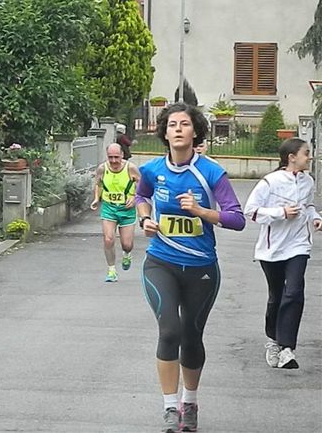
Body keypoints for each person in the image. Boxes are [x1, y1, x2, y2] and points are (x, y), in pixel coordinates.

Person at [135, 102, 245, 433]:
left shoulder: (211, 172)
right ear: (164, 133)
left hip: (201, 269)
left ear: (195, 131)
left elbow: (237, 219)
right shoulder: (153, 169)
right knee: (170, 330)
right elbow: (142, 196)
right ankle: (171, 408)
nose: (178, 129)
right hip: (160, 263)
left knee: (192, 335)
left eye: (184, 124)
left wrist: (202, 211)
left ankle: (190, 400)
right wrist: (144, 218)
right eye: (172, 124)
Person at [244, 138, 322, 370]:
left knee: (295, 292)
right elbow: (251, 211)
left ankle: (288, 348)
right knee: (276, 296)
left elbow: (308, 207)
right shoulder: (270, 182)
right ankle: (273, 341)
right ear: (292, 157)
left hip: (298, 246)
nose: (309, 157)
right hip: (272, 249)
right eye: (306, 153)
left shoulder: (308, 181)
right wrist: (281, 212)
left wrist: (316, 218)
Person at [90, 143, 141, 282]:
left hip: (127, 210)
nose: (113, 161)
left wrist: (134, 197)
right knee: (108, 239)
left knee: (127, 244)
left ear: (122, 155)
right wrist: (96, 198)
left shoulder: (130, 168)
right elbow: (98, 183)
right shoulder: (102, 168)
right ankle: (111, 270)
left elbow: (142, 185)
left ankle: (127, 253)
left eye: (116, 157)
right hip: (109, 208)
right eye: (110, 157)